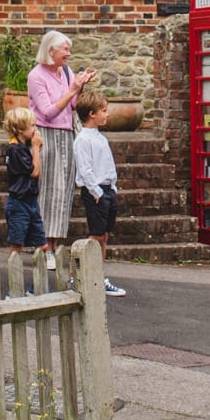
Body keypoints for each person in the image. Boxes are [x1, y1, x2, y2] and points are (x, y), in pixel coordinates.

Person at [29, 30, 97, 262]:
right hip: (45, 135)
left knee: (63, 192)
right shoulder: (36, 76)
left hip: (66, 135)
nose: (69, 53)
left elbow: (73, 105)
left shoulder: (66, 72)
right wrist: (71, 91)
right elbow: (48, 112)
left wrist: (80, 87)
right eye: (65, 49)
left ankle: (55, 244)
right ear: (51, 51)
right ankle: (43, 246)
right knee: (47, 191)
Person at [71, 93, 126, 297]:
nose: (107, 114)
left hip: (107, 190)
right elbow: (85, 170)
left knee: (104, 236)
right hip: (96, 192)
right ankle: (75, 277)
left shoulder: (100, 137)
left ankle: (98, 276)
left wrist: (113, 188)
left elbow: (107, 166)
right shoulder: (83, 140)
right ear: (92, 114)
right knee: (95, 237)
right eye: (103, 110)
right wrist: (97, 192)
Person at [1, 106, 46, 261]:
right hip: (19, 202)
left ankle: (39, 268)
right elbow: (34, 172)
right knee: (17, 243)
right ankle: (14, 272)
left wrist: (35, 148)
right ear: (20, 129)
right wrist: (35, 148)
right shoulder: (15, 150)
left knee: (41, 242)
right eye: (32, 126)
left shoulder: (23, 147)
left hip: (31, 200)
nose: (35, 129)